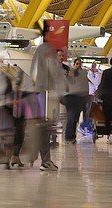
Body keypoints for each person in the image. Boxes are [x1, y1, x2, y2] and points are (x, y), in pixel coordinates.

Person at [29, 22, 68, 171]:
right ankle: (45, 161)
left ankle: (34, 157)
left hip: (39, 93)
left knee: (40, 127)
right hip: (46, 94)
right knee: (44, 129)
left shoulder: (39, 49)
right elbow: (54, 73)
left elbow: (33, 71)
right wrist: (60, 92)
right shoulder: (48, 50)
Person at [62, 58, 90, 143]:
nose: (78, 65)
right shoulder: (70, 72)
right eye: (77, 64)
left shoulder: (83, 72)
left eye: (80, 64)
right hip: (70, 98)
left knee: (75, 118)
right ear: (74, 64)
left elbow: (85, 85)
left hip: (80, 98)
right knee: (71, 117)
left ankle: (72, 136)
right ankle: (68, 137)